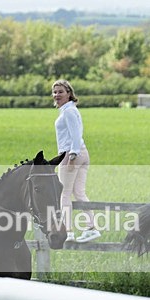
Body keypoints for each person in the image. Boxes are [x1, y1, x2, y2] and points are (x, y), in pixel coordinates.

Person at [52, 79, 100, 243]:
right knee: (79, 193)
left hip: (71, 154)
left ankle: (69, 232)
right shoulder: (69, 110)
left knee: (63, 194)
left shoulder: (69, 112)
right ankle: (91, 228)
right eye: (55, 92)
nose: (57, 95)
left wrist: (71, 156)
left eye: (60, 92)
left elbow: (75, 135)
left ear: (69, 94)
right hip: (81, 153)